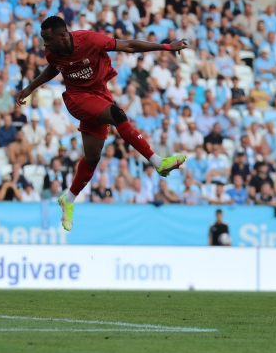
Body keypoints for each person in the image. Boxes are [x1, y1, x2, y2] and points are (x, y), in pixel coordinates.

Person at [15, 16, 187, 232]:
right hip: (77, 99)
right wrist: (30, 88)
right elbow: (54, 67)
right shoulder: (53, 52)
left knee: (93, 157)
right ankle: (158, 162)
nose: (45, 44)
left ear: (62, 35)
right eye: (43, 39)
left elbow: (129, 45)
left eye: (48, 38)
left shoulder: (90, 40)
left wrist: (166, 46)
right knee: (117, 114)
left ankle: (68, 199)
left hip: (99, 95)